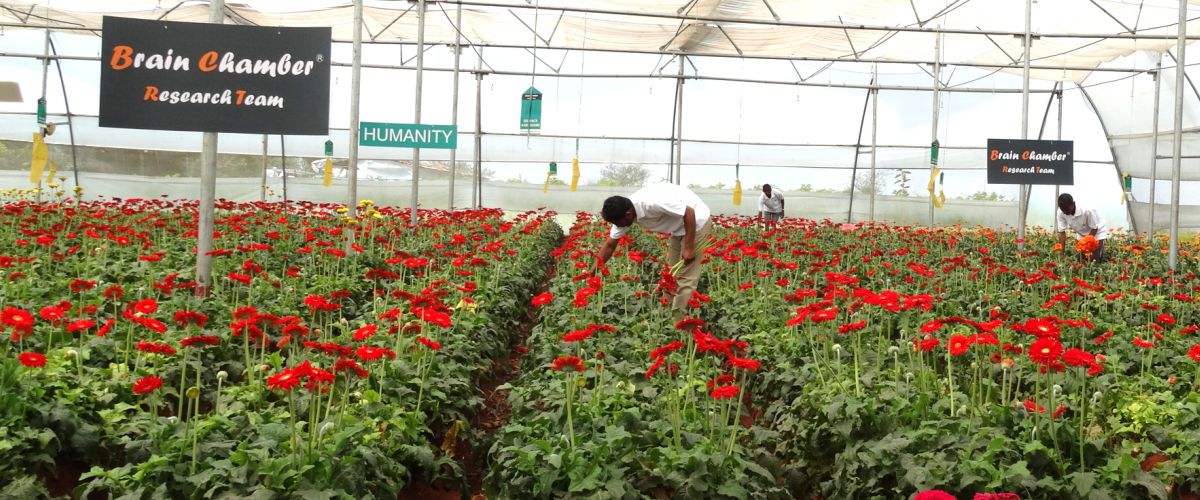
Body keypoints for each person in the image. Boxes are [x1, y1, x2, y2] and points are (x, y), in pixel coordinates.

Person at [594, 184, 711, 315]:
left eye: (617, 223)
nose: (616, 227)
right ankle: (666, 317)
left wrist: (689, 247)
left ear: (628, 214)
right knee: (671, 275)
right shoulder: (624, 212)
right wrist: (593, 271)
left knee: (686, 278)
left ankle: (678, 325)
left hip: (697, 222)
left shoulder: (653, 202)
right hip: (678, 228)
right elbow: (610, 245)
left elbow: (689, 212)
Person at [1056, 193, 1108, 262]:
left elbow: (1094, 228)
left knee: (1094, 259)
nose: (1065, 213)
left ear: (1073, 203)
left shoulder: (1087, 210)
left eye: (1067, 210)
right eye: (1063, 211)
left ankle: (1099, 254)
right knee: (1080, 258)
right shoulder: (1061, 212)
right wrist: (1061, 253)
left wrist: (1087, 246)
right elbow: (1061, 233)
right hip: (1081, 233)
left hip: (1097, 232)